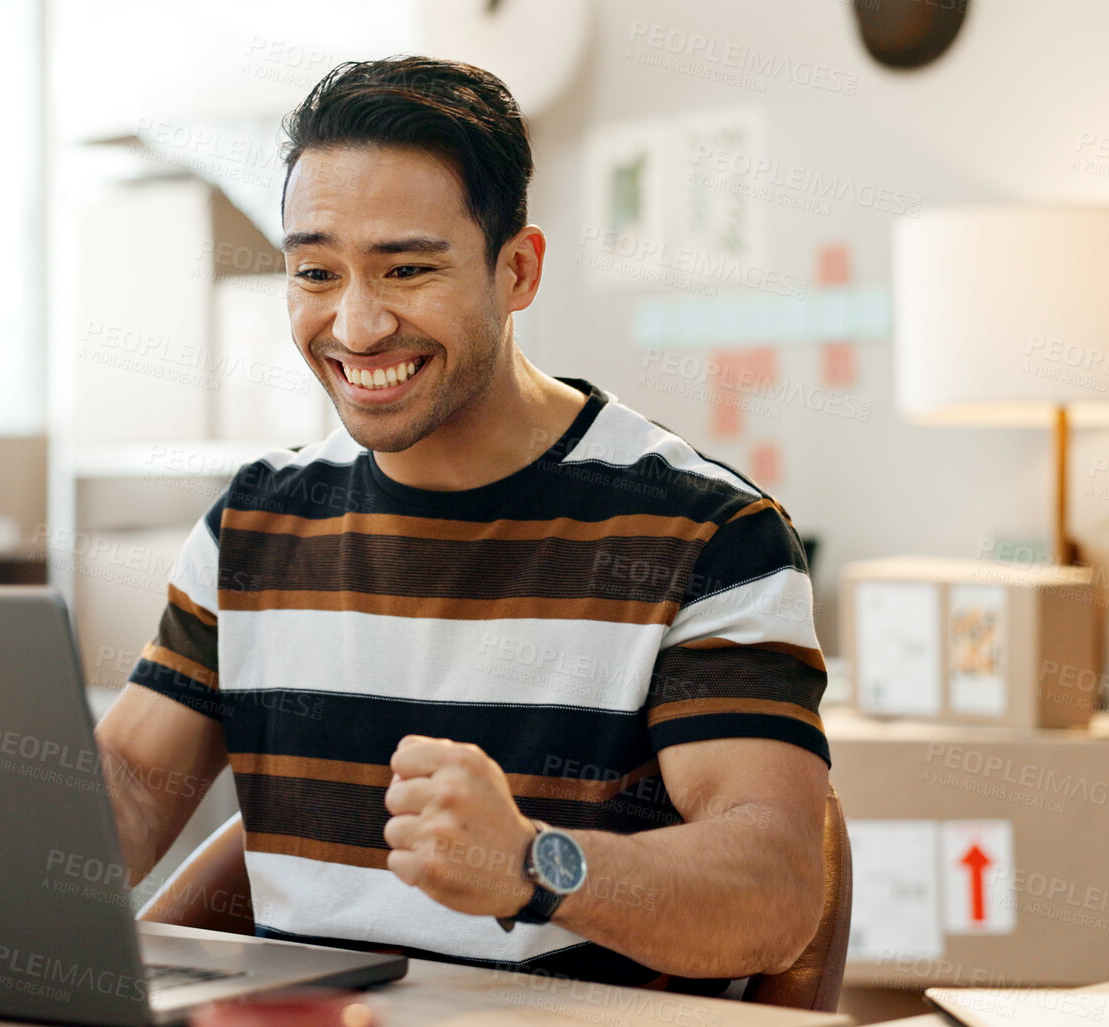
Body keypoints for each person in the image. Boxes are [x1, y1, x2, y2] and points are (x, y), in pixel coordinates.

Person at [95, 55, 829, 994]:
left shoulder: (705, 535)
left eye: (406, 269)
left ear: (516, 271)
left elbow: (773, 890)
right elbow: (125, 785)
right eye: (315, 271)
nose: (355, 326)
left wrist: (534, 863)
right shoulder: (256, 520)